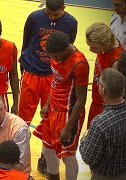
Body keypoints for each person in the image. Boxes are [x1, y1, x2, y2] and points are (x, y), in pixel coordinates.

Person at [18, 0, 77, 175]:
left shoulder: (71, 22)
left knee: (50, 121)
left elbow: (67, 47)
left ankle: (44, 159)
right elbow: (26, 42)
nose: (51, 17)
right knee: (23, 120)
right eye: (48, 14)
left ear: (63, 9)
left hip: (53, 75)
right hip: (31, 73)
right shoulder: (34, 17)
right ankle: (20, 158)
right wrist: (24, 66)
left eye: (55, 15)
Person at [33, 32, 89, 180]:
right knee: (48, 150)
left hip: (68, 113)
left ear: (65, 49)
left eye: (55, 55)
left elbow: (81, 100)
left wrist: (69, 127)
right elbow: (56, 80)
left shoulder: (79, 64)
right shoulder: (57, 55)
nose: (53, 58)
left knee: (67, 156)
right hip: (52, 110)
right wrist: (47, 103)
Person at [80, 68, 126, 180]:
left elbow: (88, 157)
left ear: (103, 90)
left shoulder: (100, 123)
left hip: (105, 175)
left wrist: (84, 138)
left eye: (98, 83)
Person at [86, 22, 123, 129]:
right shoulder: (105, 48)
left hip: (104, 107)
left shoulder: (116, 61)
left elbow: (115, 94)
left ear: (105, 43)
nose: (90, 50)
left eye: (93, 47)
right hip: (96, 102)